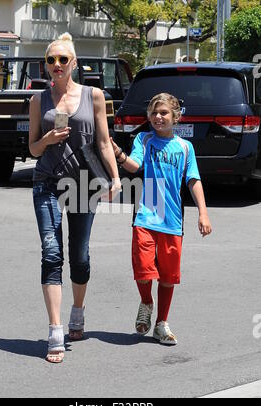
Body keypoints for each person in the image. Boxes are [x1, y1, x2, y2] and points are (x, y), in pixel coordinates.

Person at [29, 33, 121, 363]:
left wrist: (114, 177)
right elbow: (33, 148)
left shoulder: (94, 96)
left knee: (79, 255)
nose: (56, 65)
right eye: (51, 60)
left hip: (83, 182)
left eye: (62, 60)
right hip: (47, 182)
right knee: (51, 252)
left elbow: (105, 141)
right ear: (46, 65)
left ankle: (77, 311)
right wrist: (49, 137)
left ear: (74, 64)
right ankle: (55, 330)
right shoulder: (38, 100)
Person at [110, 93, 212, 345]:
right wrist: (120, 155)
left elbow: (193, 180)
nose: (158, 117)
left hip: (172, 219)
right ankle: (146, 301)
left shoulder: (185, 148)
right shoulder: (144, 139)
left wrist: (203, 212)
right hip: (146, 214)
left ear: (176, 117)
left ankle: (161, 324)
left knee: (168, 277)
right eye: (154, 113)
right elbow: (135, 165)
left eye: (164, 112)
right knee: (144, 271)